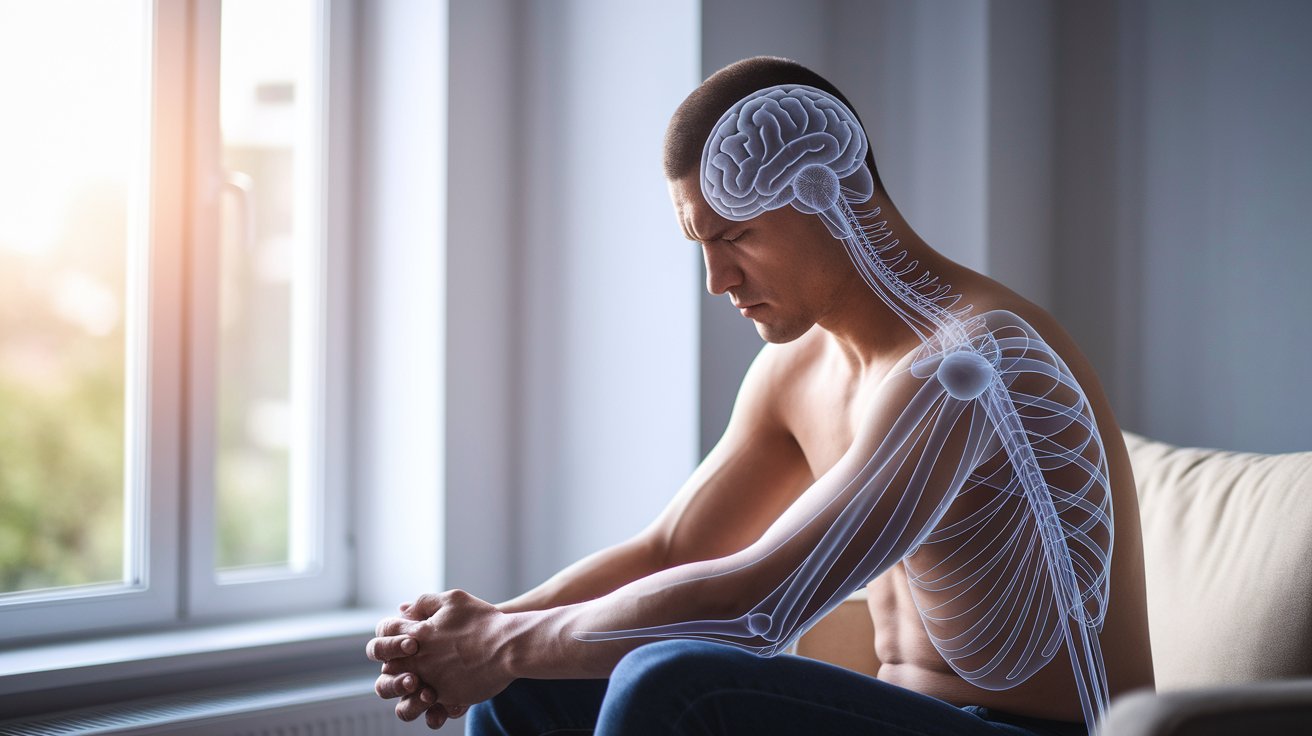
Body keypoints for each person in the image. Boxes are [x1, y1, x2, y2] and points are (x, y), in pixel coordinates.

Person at [366, 56, 1155, 735]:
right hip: (903, 714)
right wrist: (492, 630)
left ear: (831, 193)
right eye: (701, 243)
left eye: (736, 236)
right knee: (530, 691)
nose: (718, 280)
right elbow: (672, 551)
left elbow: (759, 607)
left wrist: (497, 646)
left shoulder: (974, 361)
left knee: (670, 683)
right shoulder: (800, 368)